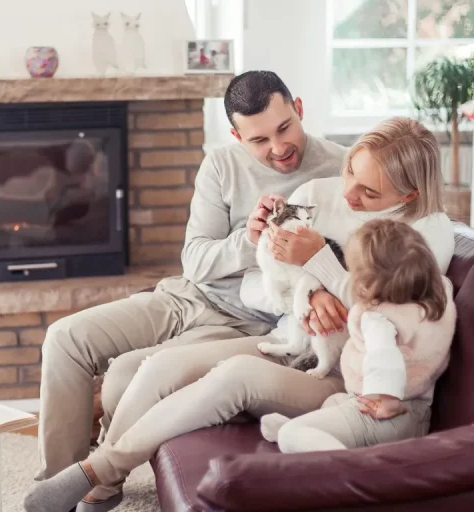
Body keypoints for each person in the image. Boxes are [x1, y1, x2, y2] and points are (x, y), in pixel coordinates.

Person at [25, 117, 453, 512]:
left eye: (369, 192)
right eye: (349, 173)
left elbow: (393, 323)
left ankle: (97, 471)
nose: (347, 194)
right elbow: (263, 285)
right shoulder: (317, 196)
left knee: (236, 376)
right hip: (292, 339)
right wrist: (305, 293)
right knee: (157, 368)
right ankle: (99, 483)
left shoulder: (427, 235)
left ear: (408, 195)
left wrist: (320, 264)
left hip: (352, 378)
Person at [31, 70, 348, 509]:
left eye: (284, 128)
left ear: (298, 109)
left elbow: (356, 256)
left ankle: (97, 487)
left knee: (125, 376)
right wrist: (248, 239)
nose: (278, 148)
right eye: (258, 140)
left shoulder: (341, 170)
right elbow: (195, 259)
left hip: (248, 321)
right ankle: (58, 487)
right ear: (237, 136)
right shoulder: (220, 164)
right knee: (64, 339)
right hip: (188, 295)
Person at [261, 219, 456, 453]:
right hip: (418, 410)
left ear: (364, 285)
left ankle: (345, 465)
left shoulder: (379, 318)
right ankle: (302, 428)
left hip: (385, 412)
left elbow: (385, 357)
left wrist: (386, 399)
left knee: (290, 437)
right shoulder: (438, 296)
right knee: (332, 404)